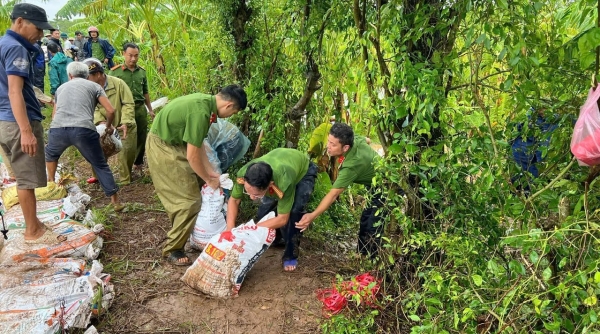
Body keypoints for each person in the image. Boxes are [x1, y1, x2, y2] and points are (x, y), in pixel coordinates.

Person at [146, 85, 247, 265]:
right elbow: (192, 156)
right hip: (163, 146)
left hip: (175, 144)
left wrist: (211, 174)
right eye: (233, 113)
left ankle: (192, 233)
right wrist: (210, 179)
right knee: (188, 201)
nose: (230, 116)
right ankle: (173, 249)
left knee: (200, 184)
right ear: (229, 105)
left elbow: (198, 145)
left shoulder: (206, 105)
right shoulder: (201, 113)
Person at [0, 3, 67, 244]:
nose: (40, 34)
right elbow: (15, 93)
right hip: (18, 122)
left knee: (20, 175)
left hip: (4, 121)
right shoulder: (17, 48)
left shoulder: (2, 44)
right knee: (27, 179)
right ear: (19, 22)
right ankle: (32, 231)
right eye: (37, 28)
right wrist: (26, 131)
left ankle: (34, 223)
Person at [45, 61, 124, 211]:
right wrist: (108, 126)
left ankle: (51, 185)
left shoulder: (61, 88)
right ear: (87, 75)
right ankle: (115, 202)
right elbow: (111, 110)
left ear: (70, 75)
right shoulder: (95, 86)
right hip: (83, 129)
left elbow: (54, 115)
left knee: (51, 155)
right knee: (100, 163)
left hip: (58, 128)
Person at [296, 123, 384, 257]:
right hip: (374, 185)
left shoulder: (352, 165)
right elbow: (367, 140)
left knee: (373, 225)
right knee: (366, 219)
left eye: (333, 145)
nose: (328, 147)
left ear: (345, 147)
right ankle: (361, 256)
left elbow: (333, 194)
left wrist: (312, 215)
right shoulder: (355, 140)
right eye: (328, 141)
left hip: (386, 186)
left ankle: (372, 262)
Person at [226, 149, 318, 271]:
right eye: (247, 192)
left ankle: (290, 254)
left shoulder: (284, 182)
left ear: (270, 185)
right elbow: (234, 200)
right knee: (263, 214)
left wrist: (251, 229)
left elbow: (283, 218)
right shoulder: (244, 174)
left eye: (256, 195)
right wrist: (230, 230)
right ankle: (278, 238)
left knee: (295, 212)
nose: (252, 197)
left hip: (302, 171)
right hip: (279, 162)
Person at [84, 58, 137, 185]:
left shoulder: (118, 83)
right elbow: (90, 108)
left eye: (88, 77)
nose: (85, 80)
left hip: (123, 124)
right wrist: (100, 122)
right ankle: (98, 177)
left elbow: (128, 103)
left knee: (125, 153)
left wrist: (125, 121)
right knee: (96, 150)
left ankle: (125, 181)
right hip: (102, 125)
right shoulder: (87, 88)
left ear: (98, 75)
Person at [110, 43, 153, 175]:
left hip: (140, 109)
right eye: (130, 55)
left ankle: (138, 164)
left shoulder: (142, 72)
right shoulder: (115, 72)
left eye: (136, 56)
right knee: (126, 138)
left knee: (141, 137)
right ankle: (124, 167)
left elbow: (145, 92)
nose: (133, 59)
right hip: (124, 110)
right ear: (123, 54)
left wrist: (150, 109)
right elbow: (110, 94)